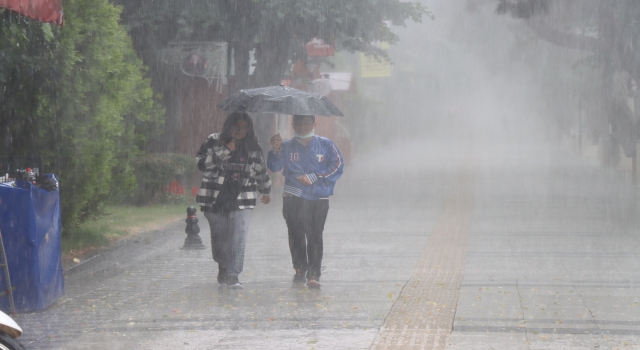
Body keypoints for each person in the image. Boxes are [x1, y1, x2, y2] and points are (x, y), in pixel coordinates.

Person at [196, 111, 271, 289]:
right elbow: (201, 163)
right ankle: (223, 265)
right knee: (220, 238)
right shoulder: (213, 141)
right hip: (215, 199)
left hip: (242, 199)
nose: (239, 131)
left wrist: (265, 190)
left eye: (244, 128)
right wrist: (225, 150)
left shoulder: (253, 146)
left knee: (238, 236)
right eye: (236, 127)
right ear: (228, 126)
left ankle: (233, 274)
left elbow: (260, 170)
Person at [267, 114, 344, 288]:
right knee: (296, 234)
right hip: (293, 197)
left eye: (307, 122)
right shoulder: (285, 146)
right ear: (293, 124)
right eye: (298, 123)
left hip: (318, 198)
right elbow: (274, 167)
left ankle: (314, 273)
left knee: (315, 234)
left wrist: (315, 176)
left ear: (314, 123)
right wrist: (276, 150)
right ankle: (299, 269)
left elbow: (338, 166)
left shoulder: (326, 144)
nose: (302, 126)